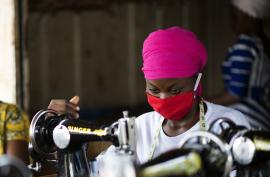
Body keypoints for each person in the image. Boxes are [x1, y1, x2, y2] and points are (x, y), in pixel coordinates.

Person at [48, 26, 250, 164]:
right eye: (154, 90)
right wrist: (55, 126)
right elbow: (103, 174)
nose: (163, 98)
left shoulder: (227, 124)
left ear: (197, 80)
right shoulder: (140, 127)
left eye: (175, 90)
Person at [211, 0, 270, 130]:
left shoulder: (245, 44)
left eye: (234, 14)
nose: (231, 19)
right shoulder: (262, 44)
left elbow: (235, 94)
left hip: (244, 119)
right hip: (262, 118)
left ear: (247, 16)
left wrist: (202, 103)